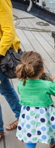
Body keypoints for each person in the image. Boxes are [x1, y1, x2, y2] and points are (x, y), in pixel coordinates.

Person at [15, 51, 55, 148]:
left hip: (28, 117)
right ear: (42, 70)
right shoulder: (47, 84)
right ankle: (52, 142)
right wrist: (53, 81)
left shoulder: (21, 84)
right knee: (50, 127)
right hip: (44, 116)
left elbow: (21, 93)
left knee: (30, 143)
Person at [0, 0, 22, 140]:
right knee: (6, 89)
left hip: (2, 54)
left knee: (6, 89)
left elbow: (9, 33)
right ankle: (22, 117)